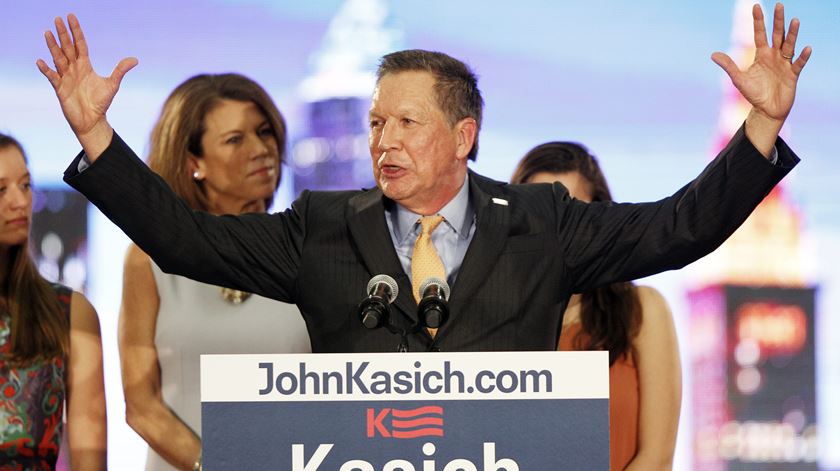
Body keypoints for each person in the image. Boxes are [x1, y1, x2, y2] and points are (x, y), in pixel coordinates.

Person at [37, 4, 809, 353]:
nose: (384, 140)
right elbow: (185, 239)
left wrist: (760, 131)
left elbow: (679, 227)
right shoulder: (323, 225)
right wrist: (98, 139)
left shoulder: (542, 222)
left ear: (464, 136)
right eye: (376, 123)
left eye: (407, 123)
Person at [117, 74, 312, 471]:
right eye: (235, 139)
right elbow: (141, 406)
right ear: (194, 163)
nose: (262, 150)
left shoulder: (311, 251)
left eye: (264, 132)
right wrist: (215, 464)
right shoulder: (146, 260)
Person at [512, 142, 681, 471]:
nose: (553, 231)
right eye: (538, 214)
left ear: (601, 219)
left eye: (570, 214)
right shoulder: (489, 316)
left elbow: (657, 458)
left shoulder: (642, 311)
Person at [0, 134, 107, 470]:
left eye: (26, 185)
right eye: (0, 190)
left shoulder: (69, 312)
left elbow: (90, 453)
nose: (20, 202)